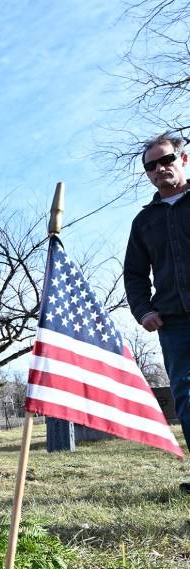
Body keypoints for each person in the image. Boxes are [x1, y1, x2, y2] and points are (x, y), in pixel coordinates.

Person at [124, 132, 190, 491]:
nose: (160, 168)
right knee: (187, 397)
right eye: (151, 166)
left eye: (167, 160)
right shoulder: (143, 222)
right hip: (174, 324)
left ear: (184, 159)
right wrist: (143, 311)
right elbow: (134, 274)